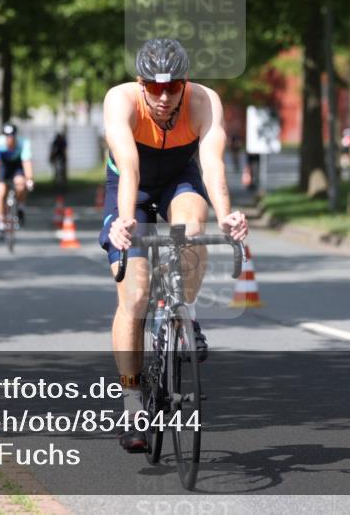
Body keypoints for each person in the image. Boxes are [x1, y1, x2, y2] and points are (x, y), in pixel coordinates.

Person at [100, 38, 249, 453]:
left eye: (173, 87)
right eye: (153, 87)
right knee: (135, 295)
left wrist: (227, 215)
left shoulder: (204, 102)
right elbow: (128, 167)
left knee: (192, 225)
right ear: (139, 82)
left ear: (185, 83)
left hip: (178, 178)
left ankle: (187, 314)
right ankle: (132, 405)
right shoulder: (121, 101)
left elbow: (213, 163)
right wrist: (126, 221)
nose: (164, 97)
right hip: (130, 186)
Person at [0, 123, 34, 240]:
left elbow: (26, 162)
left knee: (21, 185)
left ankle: (20, 207)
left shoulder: (23, 143)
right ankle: (0, 223)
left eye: (12, 136)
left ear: (15, 136)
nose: (10, 138)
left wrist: (29, 179)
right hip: (4, 167)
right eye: (7, 136)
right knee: (0, 192)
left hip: (17, 166)